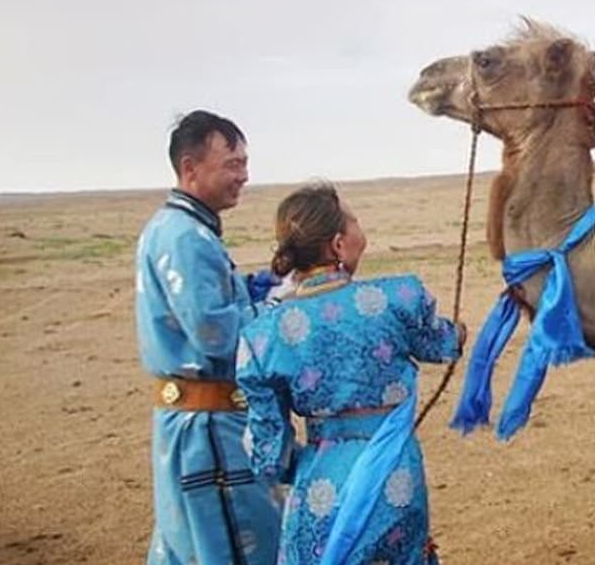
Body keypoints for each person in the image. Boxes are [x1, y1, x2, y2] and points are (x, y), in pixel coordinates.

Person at [236, 183, 464, 565]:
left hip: (319, 483)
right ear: (338, 245)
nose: (362, 230)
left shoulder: (262, 336)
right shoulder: (399, 299)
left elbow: (269, 456)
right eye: (355, 221)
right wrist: (460, 332)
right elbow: (443, 346)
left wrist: (308, 462)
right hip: (394, 475)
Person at [135, 110, 283, 565]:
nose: (243, 176)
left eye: (244, 163)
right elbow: (216, 335)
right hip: (208, 430)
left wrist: (261, 287)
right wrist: (281, 306)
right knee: (234, 545)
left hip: (196, 422)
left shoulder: (182, 229)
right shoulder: (186, 238)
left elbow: (216, 306)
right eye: (232, 164)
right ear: (190, 167)